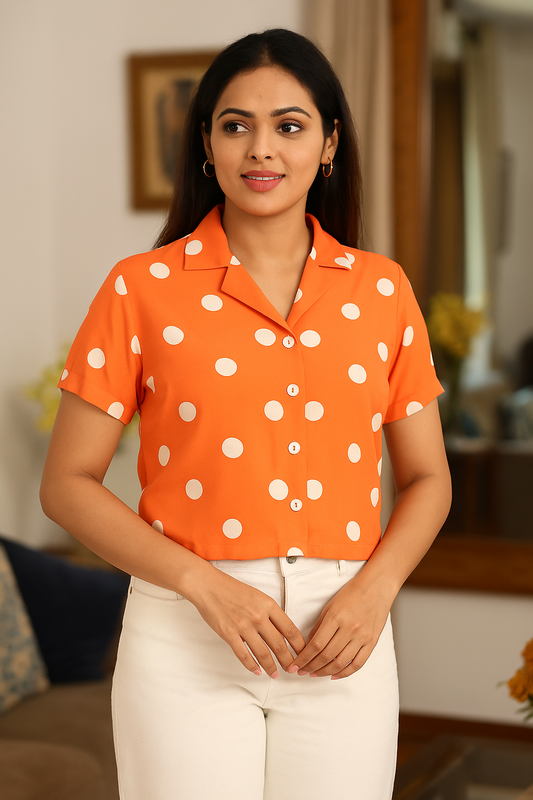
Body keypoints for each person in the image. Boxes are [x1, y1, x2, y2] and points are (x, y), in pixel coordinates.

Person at [40, 28, 451, 800]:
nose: (261, 149)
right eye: (237, 125)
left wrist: (374, 590)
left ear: (329, 144)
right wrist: (202, 584)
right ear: (207, 144)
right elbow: (66, 483)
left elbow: (427, 476)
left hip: (343, 638)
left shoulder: (381, 292)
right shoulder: (140, 289)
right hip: (183, 636)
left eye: (289, 126)